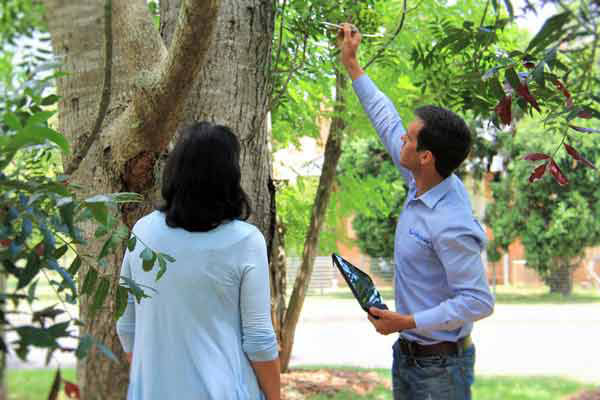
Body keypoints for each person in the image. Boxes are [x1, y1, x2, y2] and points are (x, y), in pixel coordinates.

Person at [338, 24, 495, 400]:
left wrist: (407, 321)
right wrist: (353, 65)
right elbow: (386, 118)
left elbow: (477, 301)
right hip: (408, 357)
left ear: (426, 156)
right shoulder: (422, 178)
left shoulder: (451, 223)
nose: (400, 140)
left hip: (440, 370)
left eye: (409, 139)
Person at [116, 121, 281, 400]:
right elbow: (259, 340)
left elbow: (126, 324)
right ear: (229, 177)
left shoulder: (143, 231)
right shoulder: (245, 240)